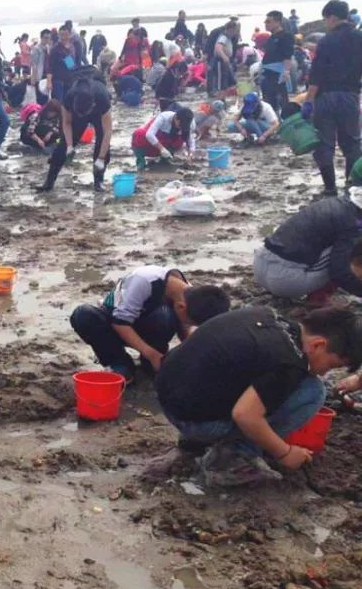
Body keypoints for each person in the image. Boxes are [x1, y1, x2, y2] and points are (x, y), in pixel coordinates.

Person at [154, 306, 362, 487]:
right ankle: (232, 458)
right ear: (318, 344)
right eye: (332, 366)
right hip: (193, 419)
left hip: (169, 393)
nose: (325, 373)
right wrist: (285, 452)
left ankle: (195, 440)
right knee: (313, 392)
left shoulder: (267, 315)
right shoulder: (288, 363)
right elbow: (245, 415)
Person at [70, 266, 229, 383]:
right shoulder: (144, 280)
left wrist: (194, 354)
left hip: (145, 325)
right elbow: (120, 323)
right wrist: (151, 353)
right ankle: (120, 363)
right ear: (181, 307)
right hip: (114, 325)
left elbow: (185, 328)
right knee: (83, 314)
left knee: (165, 316)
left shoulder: (190, 294)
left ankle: (150, 364)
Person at [254, 191, 362, 302]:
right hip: (285, 281)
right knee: (350, 251)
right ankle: (319, 298)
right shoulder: (353, 224)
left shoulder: (335, 203)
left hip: (260, 268)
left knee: (339, 247)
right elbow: (338, 271)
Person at [305, 0, 362, 197]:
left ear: (331, 17)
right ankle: (352, 187)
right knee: (352, 143)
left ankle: (330, 189)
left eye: (326, 19)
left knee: (324, 143)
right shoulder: (359, 37)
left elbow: (317, 73)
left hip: (326, 97)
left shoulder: (326, 41)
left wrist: (309, 100)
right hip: (350, 96)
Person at [37, 73, 113, 192]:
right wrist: (69, 146)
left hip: (98, 114)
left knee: (102, 143)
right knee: (62, 146)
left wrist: (101, 158)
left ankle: (99, 181)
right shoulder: (69, 97)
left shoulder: (102, 98)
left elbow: (107, 131)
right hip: (78, 115)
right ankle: (49, 182)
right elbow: (66, 123)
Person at [260, 12, 294, 116]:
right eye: (265, 21)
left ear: (278, 22)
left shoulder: (286, 36)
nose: (266, 23)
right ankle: (273, 123)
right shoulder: (271, 37)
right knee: (268, 101)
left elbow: (287, 56)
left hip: (278, 73)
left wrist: (286, 71)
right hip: (267, 73)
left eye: (269, 21)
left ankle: (284, 122)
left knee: (281, 100)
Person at [46, 25, 78, 102]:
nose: (64, 37)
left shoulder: (71, 47)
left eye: (66, 35)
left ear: (70, 34)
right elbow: (49, 66)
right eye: (61, 35)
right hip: (58, 80)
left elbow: (71, 64)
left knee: (69, 101)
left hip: (69, 79)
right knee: (59, 102)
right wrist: (49, 82)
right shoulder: (55, 49)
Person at [206, 21, 239, 96]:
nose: (235, 33)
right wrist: (224, 57)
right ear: (231, 29)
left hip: (224, 62)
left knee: (225, 83)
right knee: (221, 84)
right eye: (235, 30)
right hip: (220, 61)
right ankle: (220, 100)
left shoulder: (228, 37)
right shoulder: (223, 37)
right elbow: (218, 47)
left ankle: (222, 99)